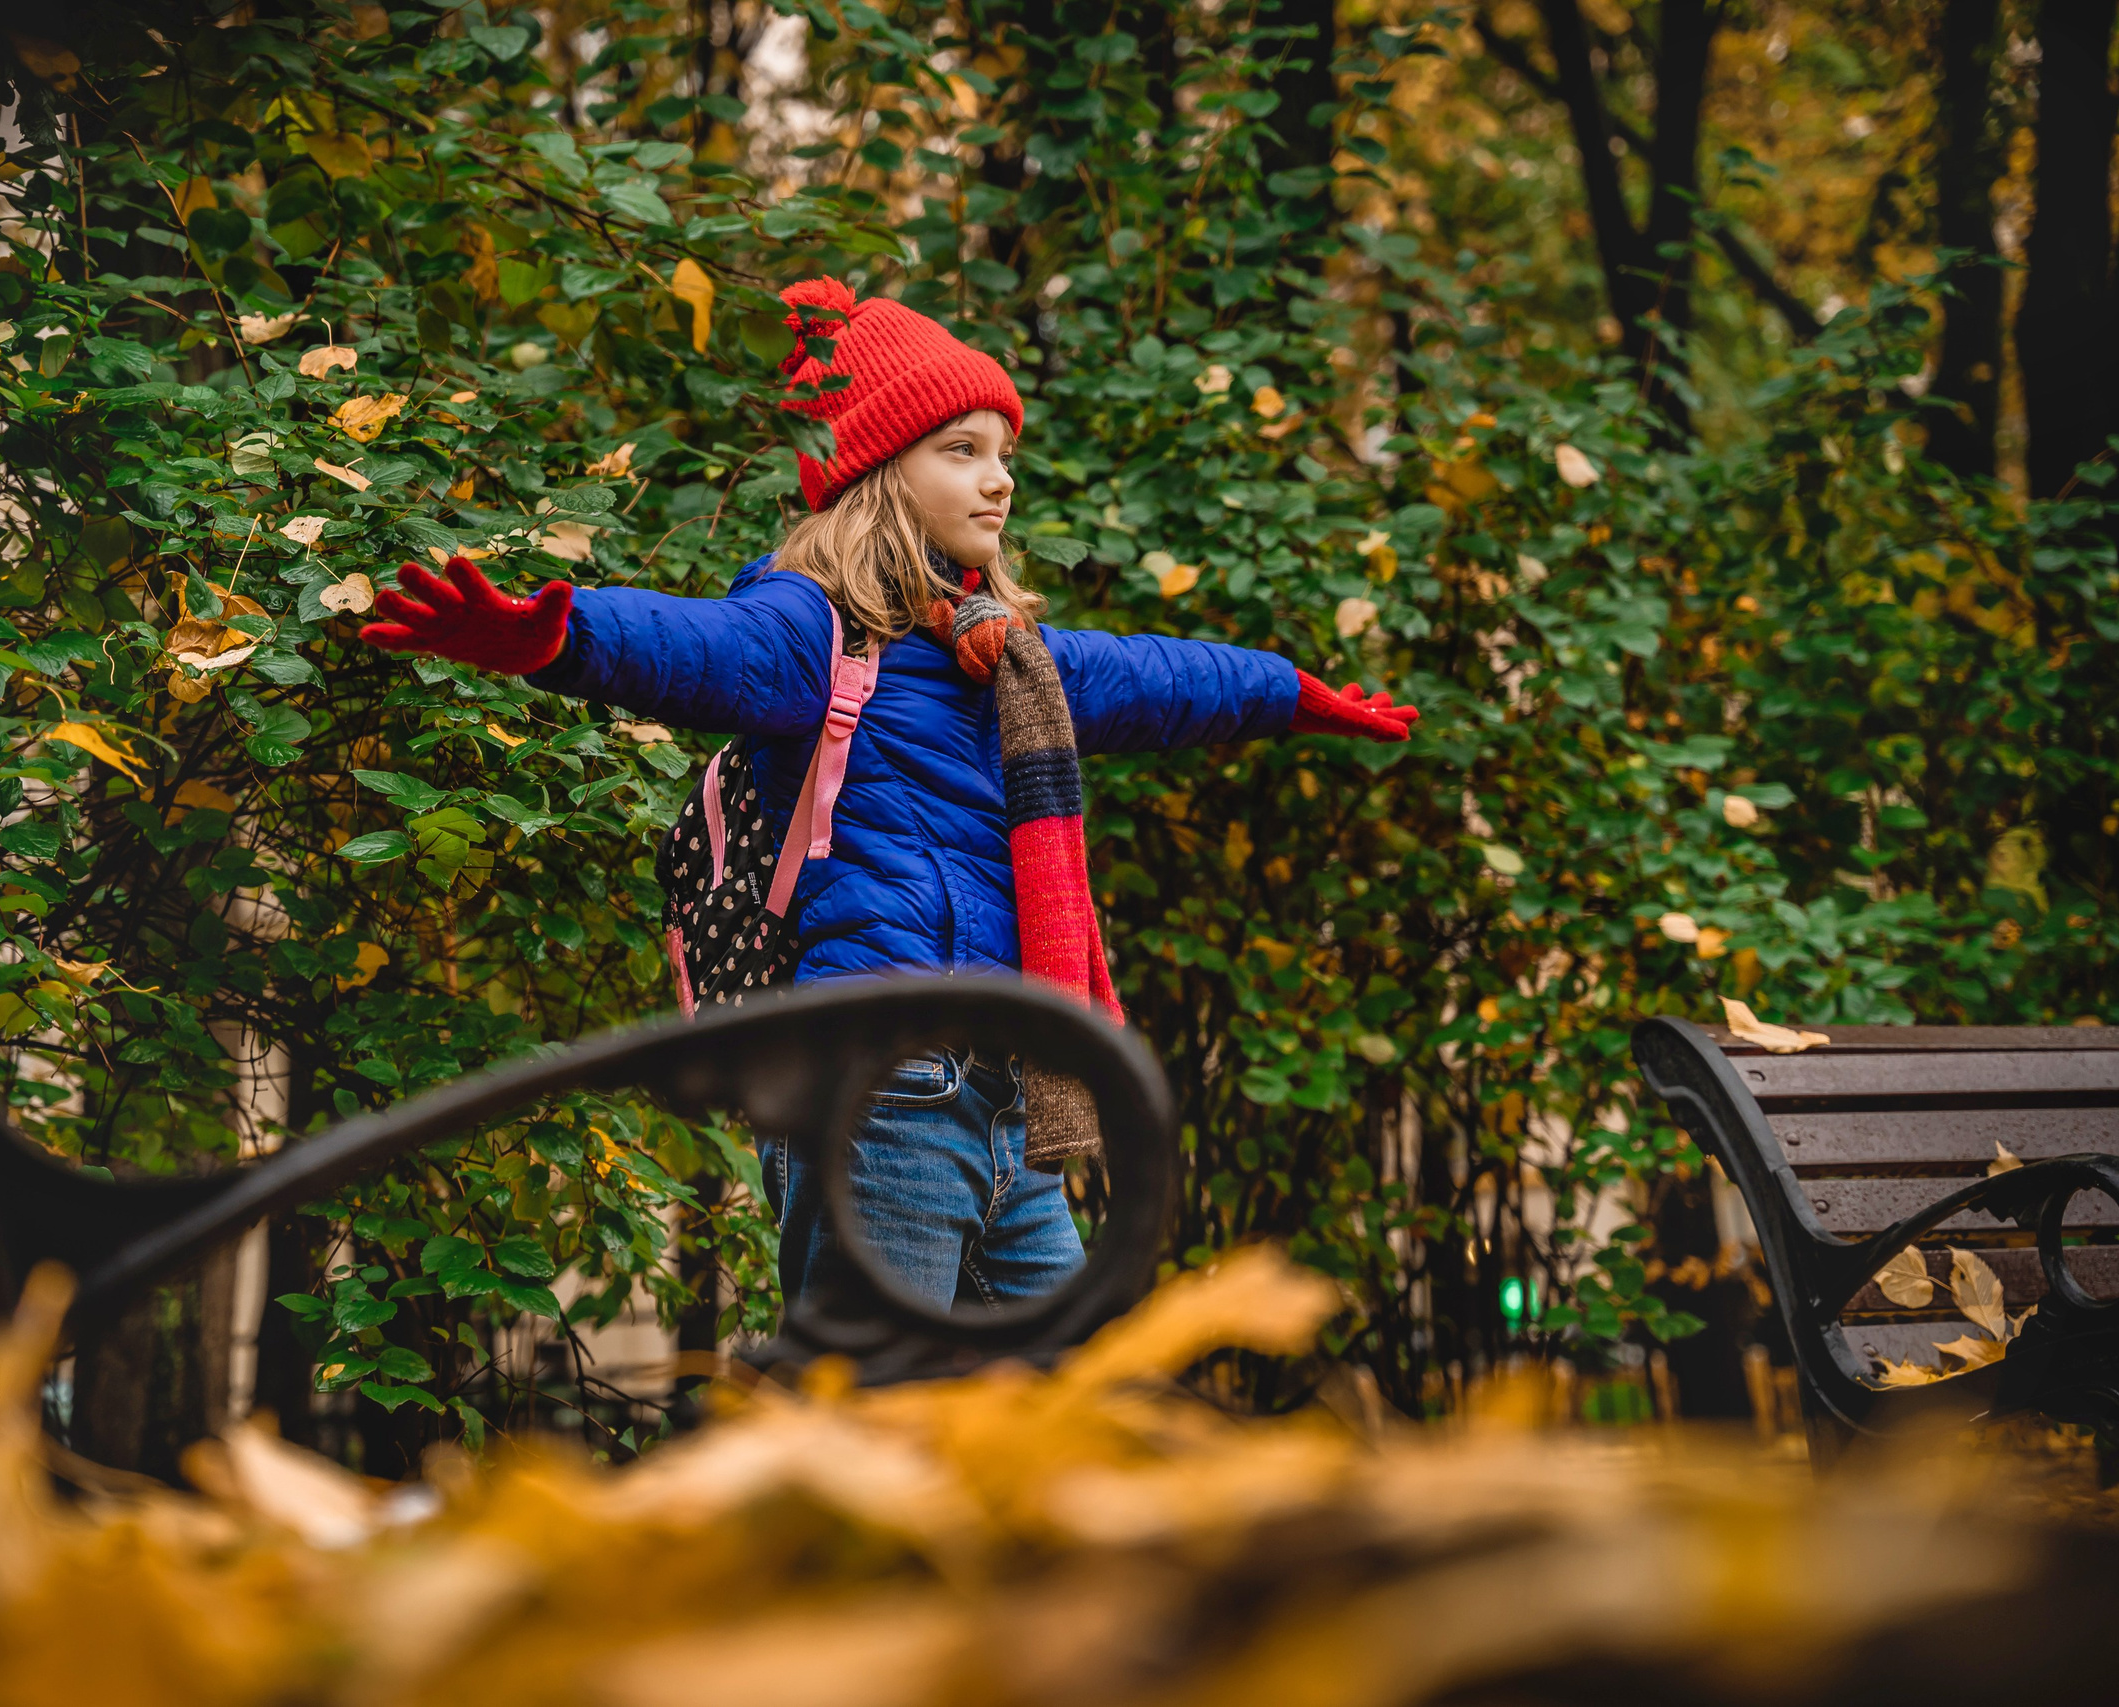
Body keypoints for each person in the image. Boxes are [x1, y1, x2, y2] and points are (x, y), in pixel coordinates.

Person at [360, 276, 1417, 1314]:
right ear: (872, 473)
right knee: (862, 1404)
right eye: (960, 452)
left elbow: (1162, 677)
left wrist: (1289, 693)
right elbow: (698, 650)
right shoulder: (812, 631)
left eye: (1003, 454)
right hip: (881, 1087)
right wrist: (562, 636)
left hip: (1011, 1098)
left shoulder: (1009, 665)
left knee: (1063, 1410)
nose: (997, 480)